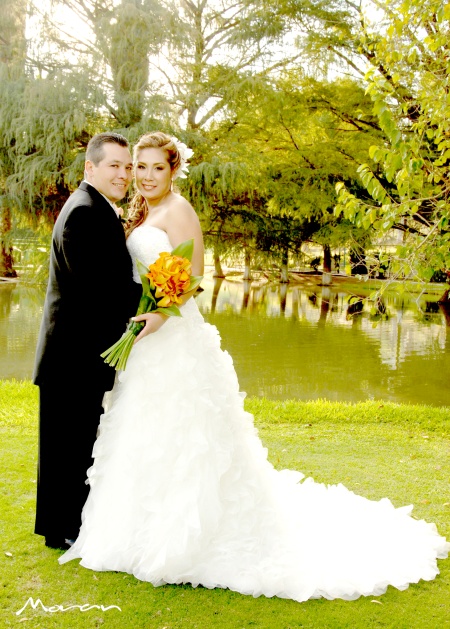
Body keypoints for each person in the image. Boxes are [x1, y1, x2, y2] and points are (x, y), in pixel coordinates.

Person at [59, 131, 449, 602]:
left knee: (187, 433)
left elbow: (193, 275)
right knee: (143, 429)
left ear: (173, 170)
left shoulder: (179, 211)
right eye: (137, 167)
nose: (143, 176)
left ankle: (191, 537)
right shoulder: (140, 212)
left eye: (154, 168)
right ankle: (134, 525)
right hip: (146, 342)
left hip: (173, 336)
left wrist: (161, 312)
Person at [33, 132, 141, 550]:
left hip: (75, 355)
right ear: (90, 168)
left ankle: (61, 528)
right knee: (68, 449)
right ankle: (63, 530)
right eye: (115, 165)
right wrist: (155, 297)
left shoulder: (95, 209)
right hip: (71, 357)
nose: (124, 173)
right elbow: (100, 289)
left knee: (72, 447)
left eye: (127, 166)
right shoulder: (84, 213)